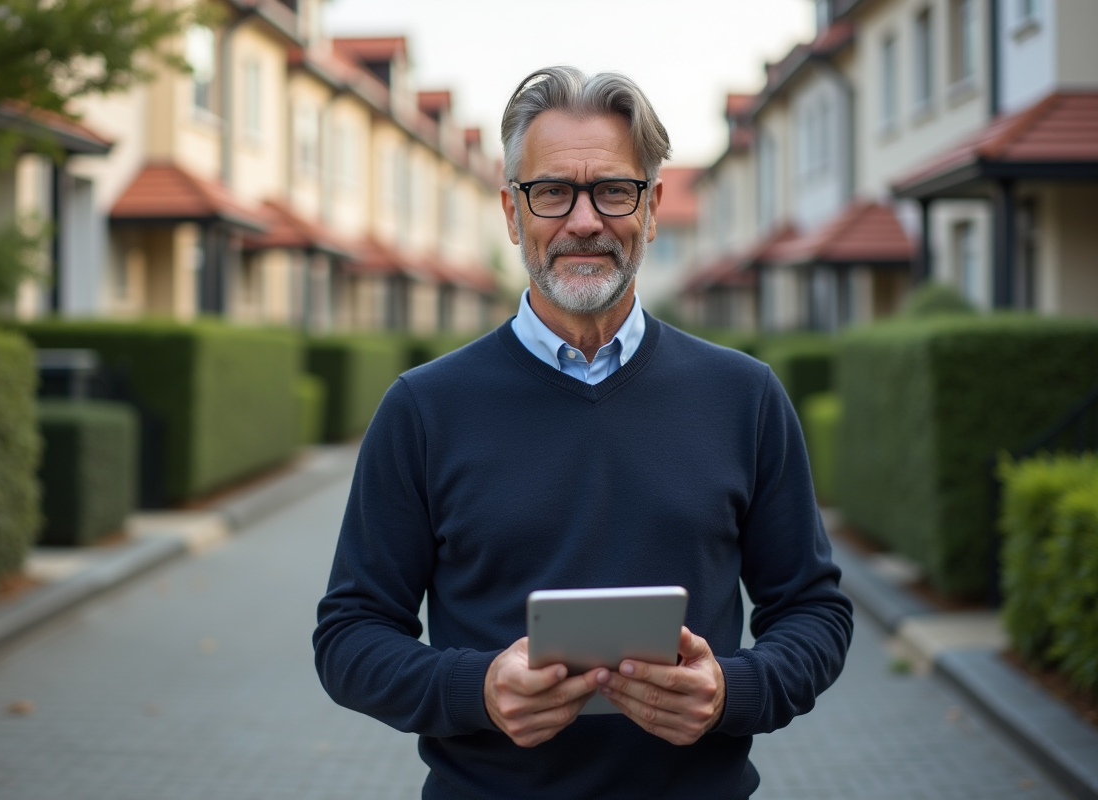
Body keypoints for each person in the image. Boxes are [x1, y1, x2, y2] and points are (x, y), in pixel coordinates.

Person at [313, 66, 853, 800]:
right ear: (512, 212)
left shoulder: (744, 397)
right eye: (553, 192)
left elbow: (814, 612)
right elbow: (349, 636)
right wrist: (476, 689)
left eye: (613, 190)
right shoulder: (423, 408)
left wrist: (735, 689)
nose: (585, 220)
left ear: (653, 207)